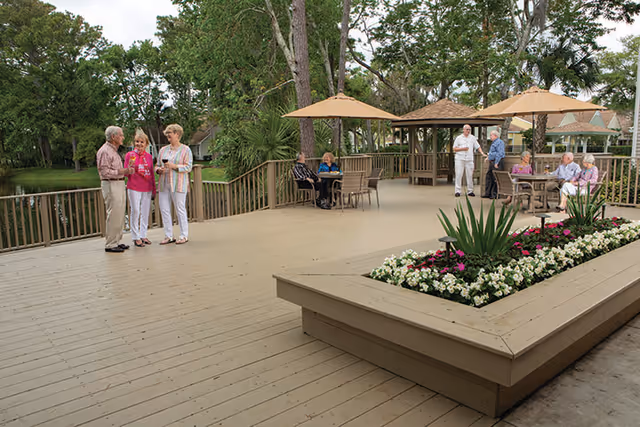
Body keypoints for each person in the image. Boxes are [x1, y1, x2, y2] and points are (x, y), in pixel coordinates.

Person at [96, 126, 133, 253]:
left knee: (120, 213)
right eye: (121, 135)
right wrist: (123, 171)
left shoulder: (114, 151)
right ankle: (110, 244)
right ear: (113, 137)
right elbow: (105, 172)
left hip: (119, 183)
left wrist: (125, 172)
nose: (123, 137)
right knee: (113, 214)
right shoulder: (105, 151)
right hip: (111, 184)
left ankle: (117, 240)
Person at [156, 124, 193, 245]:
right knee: (164, 209)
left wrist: (175, 166)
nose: (168, 135)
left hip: (178, 183)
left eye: (170, 133)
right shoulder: (163, 150)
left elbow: (188, 167)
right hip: (164, 182)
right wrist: (158, 170)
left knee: (180, 208)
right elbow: (157, 165)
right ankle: (168, 235)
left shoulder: (186, 150)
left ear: (177, 134)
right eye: (167, 133)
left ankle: (184, 235)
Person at [124, 129, 156, 247]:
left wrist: (153, 188)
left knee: (145, 211)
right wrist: (130, 168)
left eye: (142, 142)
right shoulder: (130, 155)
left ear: (146, 144)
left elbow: (151, 173)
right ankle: (135, 236)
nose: (139, 144)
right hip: (134, 186)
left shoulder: (148, 157)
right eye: (137, 142)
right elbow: (126, 174)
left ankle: (143, 234)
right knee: (135, 210)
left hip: (147, 186)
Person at [453, 124, 486, 197]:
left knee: (470, 175)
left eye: (469, 129)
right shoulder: (459, 138)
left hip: (469, 159)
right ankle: (457, 191)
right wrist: (463, 149)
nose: (468, 131)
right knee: (459, 175)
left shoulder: (472, 138)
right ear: (463, 130)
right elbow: (454, 149)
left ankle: (470, 191)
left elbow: (478, 146)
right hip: (460, 159)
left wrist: (482, 153)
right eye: (467, 129)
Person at [484, 130, 505, 199]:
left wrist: (496, 162)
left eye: (491, 135)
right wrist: (488, 157)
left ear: (495, 135)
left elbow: (500, 153)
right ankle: (488, 193)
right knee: (489, 177)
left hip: (497, 162)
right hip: (492, 161)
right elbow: (493, 152)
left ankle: (495, 194)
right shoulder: (493, 143)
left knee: (495, 178)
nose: (490, 137)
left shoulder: (500, 142)